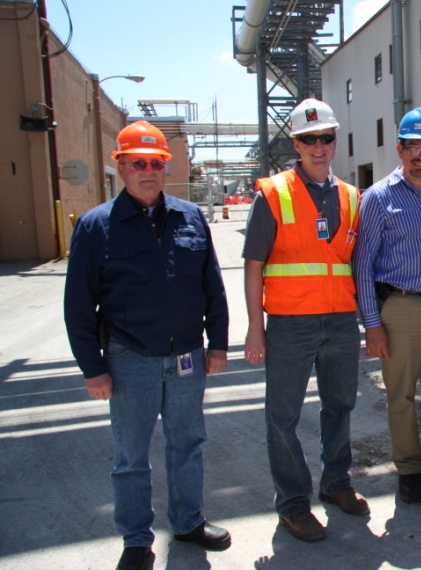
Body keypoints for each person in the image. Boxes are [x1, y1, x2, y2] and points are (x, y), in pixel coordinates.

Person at [64, 121, 231, 570]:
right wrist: (91, 367)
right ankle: (136, 538)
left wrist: (218, 344)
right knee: (131, 454)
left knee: (188, 443)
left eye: (156, 162)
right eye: (137, 162)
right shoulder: (97, 226)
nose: (148, 171)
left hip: (186, 356)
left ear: (166, 167)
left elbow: (212, 286)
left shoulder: (190, 217)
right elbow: (79, 305)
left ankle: (188, 521)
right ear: (120, 167)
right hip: (128, 359)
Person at [242, 98, 368, 543]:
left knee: (340, 407)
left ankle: (336, 483)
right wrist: (255, 328)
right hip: (290, 324)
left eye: (326, 138)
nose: (319, 146)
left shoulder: (353, 197)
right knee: (283, 416)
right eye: (309, 139)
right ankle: (294, 504)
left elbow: (358, 264)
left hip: (339, 321)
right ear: (295, 144)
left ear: (335, 142)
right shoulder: (272, 193)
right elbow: (254, 263)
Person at [354, 108, 421, 504]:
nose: (420, 155)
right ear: (399, 149)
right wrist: (372, 325)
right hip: (399, 309)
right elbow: (362, 264)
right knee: (400, 395)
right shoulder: (379, 197)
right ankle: (409, 469)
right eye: (412, 146)